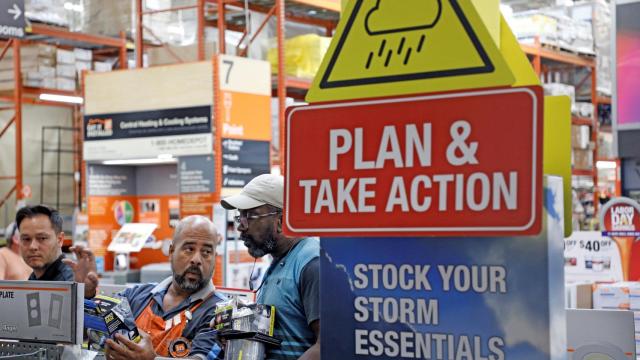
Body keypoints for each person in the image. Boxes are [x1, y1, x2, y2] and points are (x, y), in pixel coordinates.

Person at [68, 215, 226, 359]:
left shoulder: (220, 313)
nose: (197, 259)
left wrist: (152, 359)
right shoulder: (136, 296)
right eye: (189, 249)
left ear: (214, 258)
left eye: (206, 252)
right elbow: (87, 333)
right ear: (171, 251)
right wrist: (85, 296)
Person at [221, 174, 320, 360]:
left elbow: (329, 345)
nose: (241, 227)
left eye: (249, 215)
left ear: (282, 222)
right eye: (239, 216)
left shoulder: (312, 263)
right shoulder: (280, 261)